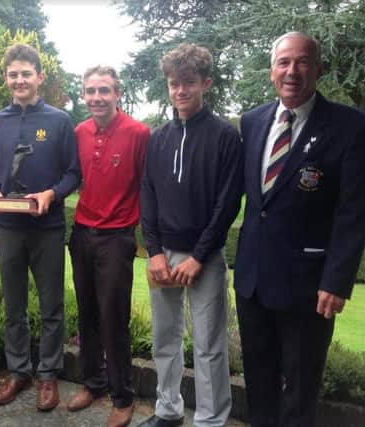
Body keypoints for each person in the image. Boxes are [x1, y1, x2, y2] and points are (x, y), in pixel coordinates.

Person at [234, 31, 365, 427]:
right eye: (283, 62)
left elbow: (353, 212)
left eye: (302, 61)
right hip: (253, 278)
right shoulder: (253, 121)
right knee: (258, 378)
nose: (292, 71)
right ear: (272, 70)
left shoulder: (349, 126)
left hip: (309, 285)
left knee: (301, 384)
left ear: (319, 69)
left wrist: (337, 280)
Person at [139, 43, 243, 427]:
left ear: (206, 84)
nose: (180, 91)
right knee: (164, 341)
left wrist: (199, 256)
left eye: (188, 83)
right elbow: (147, 193)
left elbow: (228, 203)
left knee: (209, 347)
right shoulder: (159, 137)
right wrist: (153, 251)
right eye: (173, 84)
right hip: (163, 255)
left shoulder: (225, 137)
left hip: (206, 259)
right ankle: (168, 412)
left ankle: (210, 421)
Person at [0, 44, 81, 411]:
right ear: (6, 78)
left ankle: (48, 376)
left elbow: (74, 173)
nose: (19, 80)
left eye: (26, 73)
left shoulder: (59, 121)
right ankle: (18, 371)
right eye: (13, 74)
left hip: (48, 226)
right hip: (7, 225)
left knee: (51, 304)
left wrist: (52, 195)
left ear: (40, 77)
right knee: (14, 305)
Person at [65, 66, 150, 427]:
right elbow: (73, 176)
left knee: (113, 317)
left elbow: (148, 187)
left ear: (118, 93)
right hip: (82, 232)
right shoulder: (79, 132)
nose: (96, 97)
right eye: (90, 91)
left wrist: (146, 240)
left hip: (117, 237)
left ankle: (122, 396)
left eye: (103, 90)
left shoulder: (138, 133)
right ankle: (93, 383)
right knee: (87, 313)